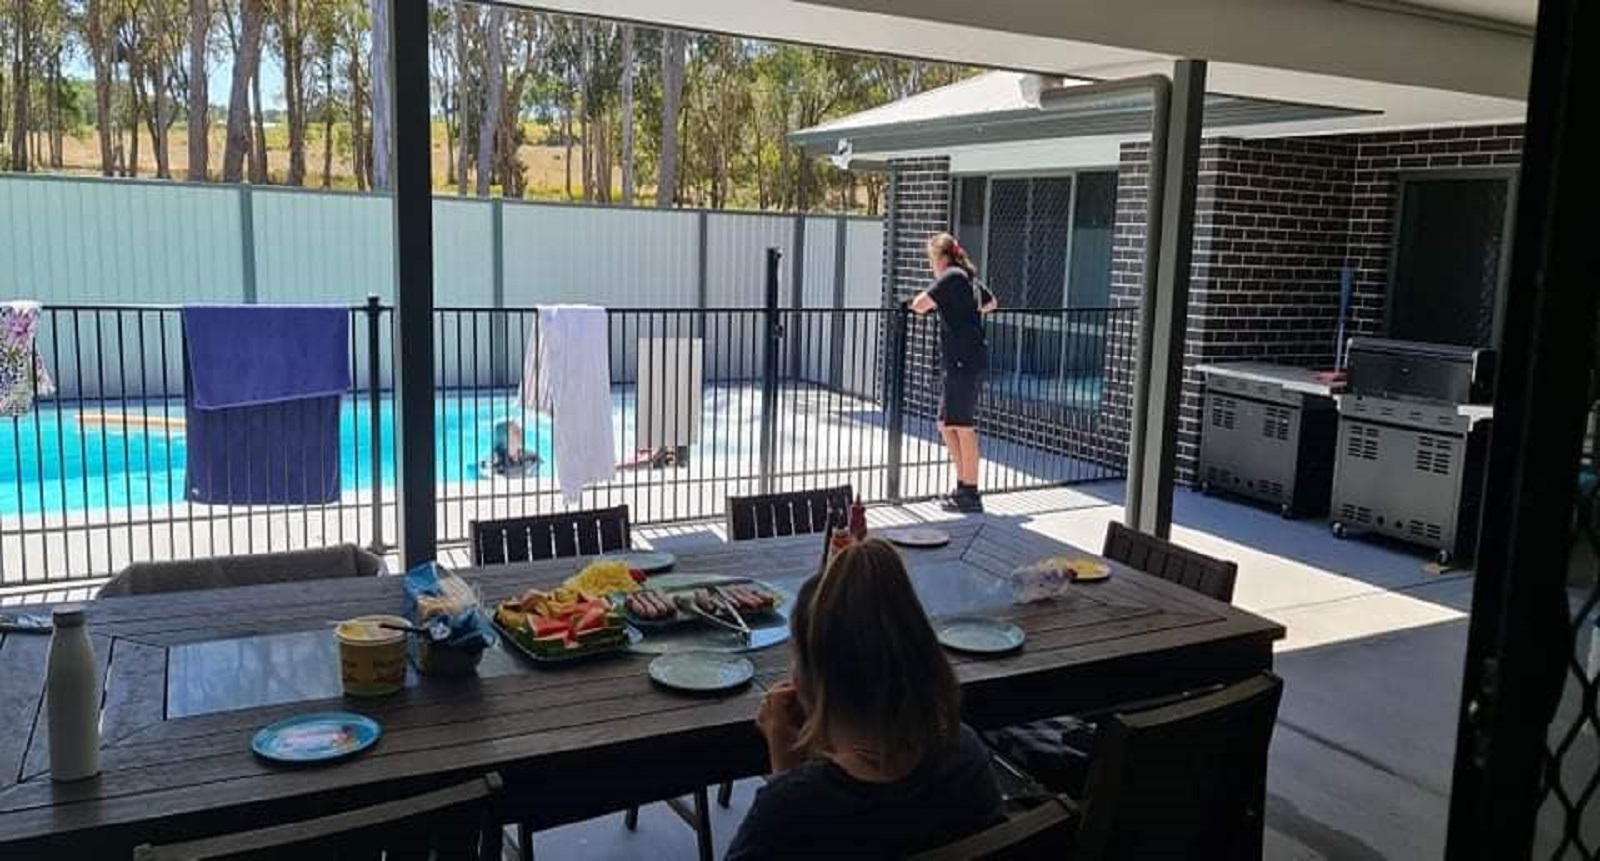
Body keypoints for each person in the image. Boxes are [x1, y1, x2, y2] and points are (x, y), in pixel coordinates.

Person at [726, 539, 1003, 860]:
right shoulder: (967, 760)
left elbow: (792, 827)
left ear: (814, 679)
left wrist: (785, 773)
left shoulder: (787, 813)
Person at [910, 232, 998, 512]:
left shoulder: (951, 277)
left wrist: (949, 304)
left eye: (931, 260)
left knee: (962, 426)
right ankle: (963, 484)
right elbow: (991, 303)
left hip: (963, 362)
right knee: (946, 423)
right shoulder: (968, 278)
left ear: (943, 257)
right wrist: (965, 310)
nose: (931, 266)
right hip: (963, 361)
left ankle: (970, 492)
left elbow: (919, 305)